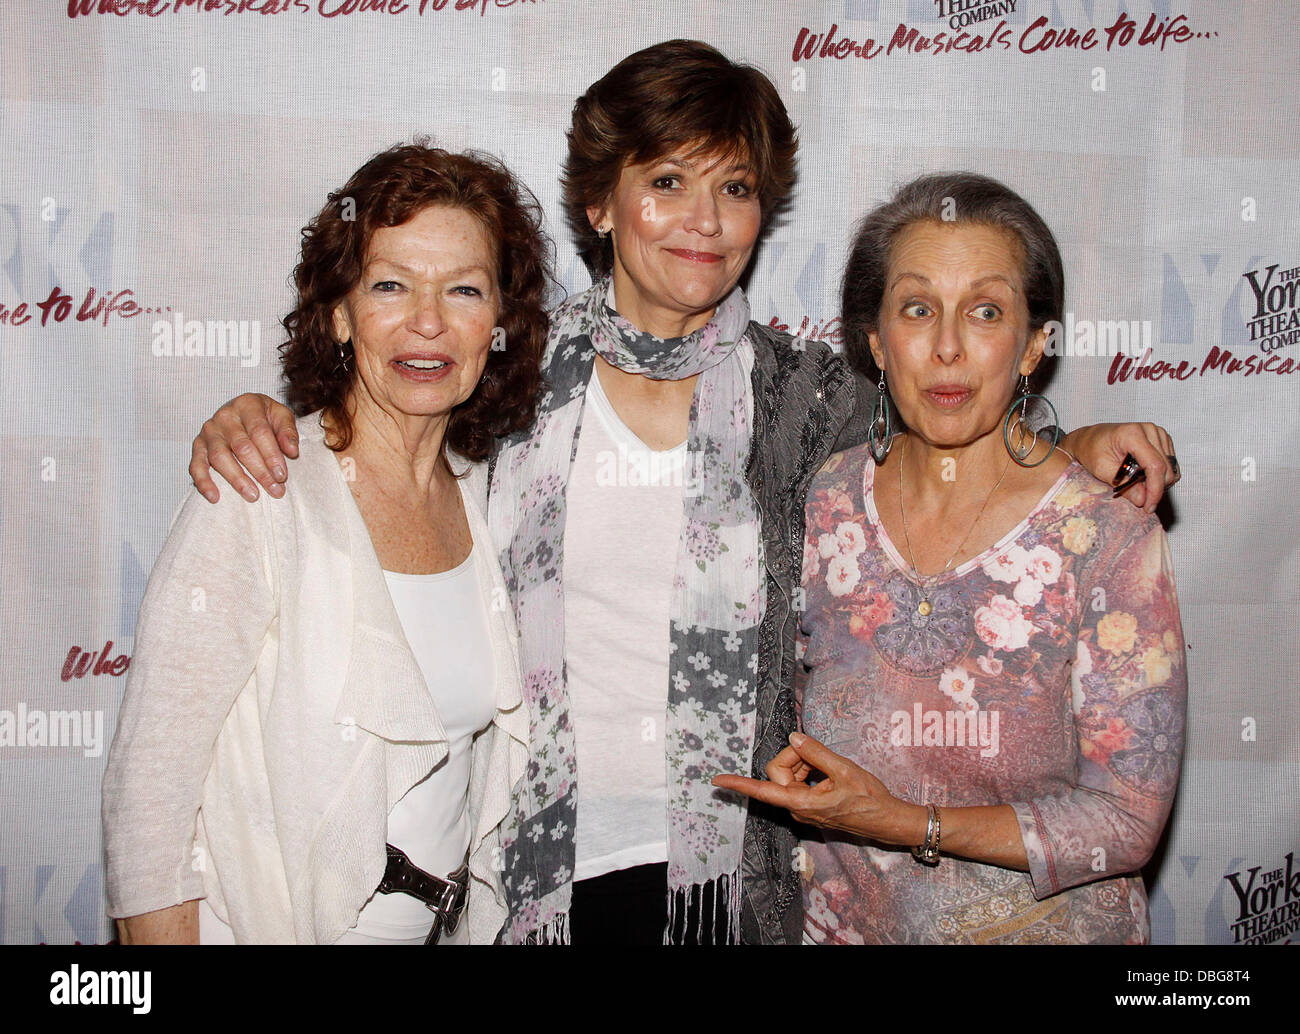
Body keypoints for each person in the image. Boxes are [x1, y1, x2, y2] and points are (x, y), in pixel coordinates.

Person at [183, 42, 1179, 945]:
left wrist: (1075, 438)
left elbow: (950, 417)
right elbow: (382, 419)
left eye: (734, 186)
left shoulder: (811, 396)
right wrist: (257, 415)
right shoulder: (503, 371)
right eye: (666, 180)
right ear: (601, 204)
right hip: (534, 870)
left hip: (738, 883)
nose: (703, 220)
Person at [714, 172, 1187, 944]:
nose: (946, 346)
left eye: (987, 311)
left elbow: (1126, 821)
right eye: (917, 308)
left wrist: (906, 823)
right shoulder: (824, 500)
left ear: (1035, 344)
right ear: (875, 339)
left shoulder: (1107, 533)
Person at [101, 142, 549, 944]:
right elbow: (150, 794)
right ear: (340, 314)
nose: (427, 320)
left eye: (464, 289)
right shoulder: (260, 491)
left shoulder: (488, 503)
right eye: (390, 284)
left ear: (498, 324)